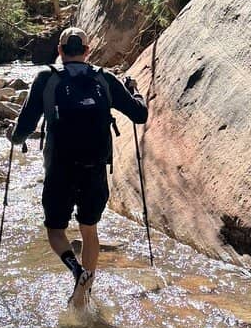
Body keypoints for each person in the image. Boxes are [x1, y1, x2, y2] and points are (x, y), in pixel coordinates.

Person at [10, 25, 148, 308]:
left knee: (55, 230)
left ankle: (76, 271)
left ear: (60, 51)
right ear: (87, 51)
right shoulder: (104, 79)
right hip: (94, 168)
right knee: (89, 229)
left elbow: (24, 128)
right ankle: (83, 296)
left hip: (59, 168)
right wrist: (135, 92)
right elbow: (139, 115)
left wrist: (13, 137)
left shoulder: (46, 78)